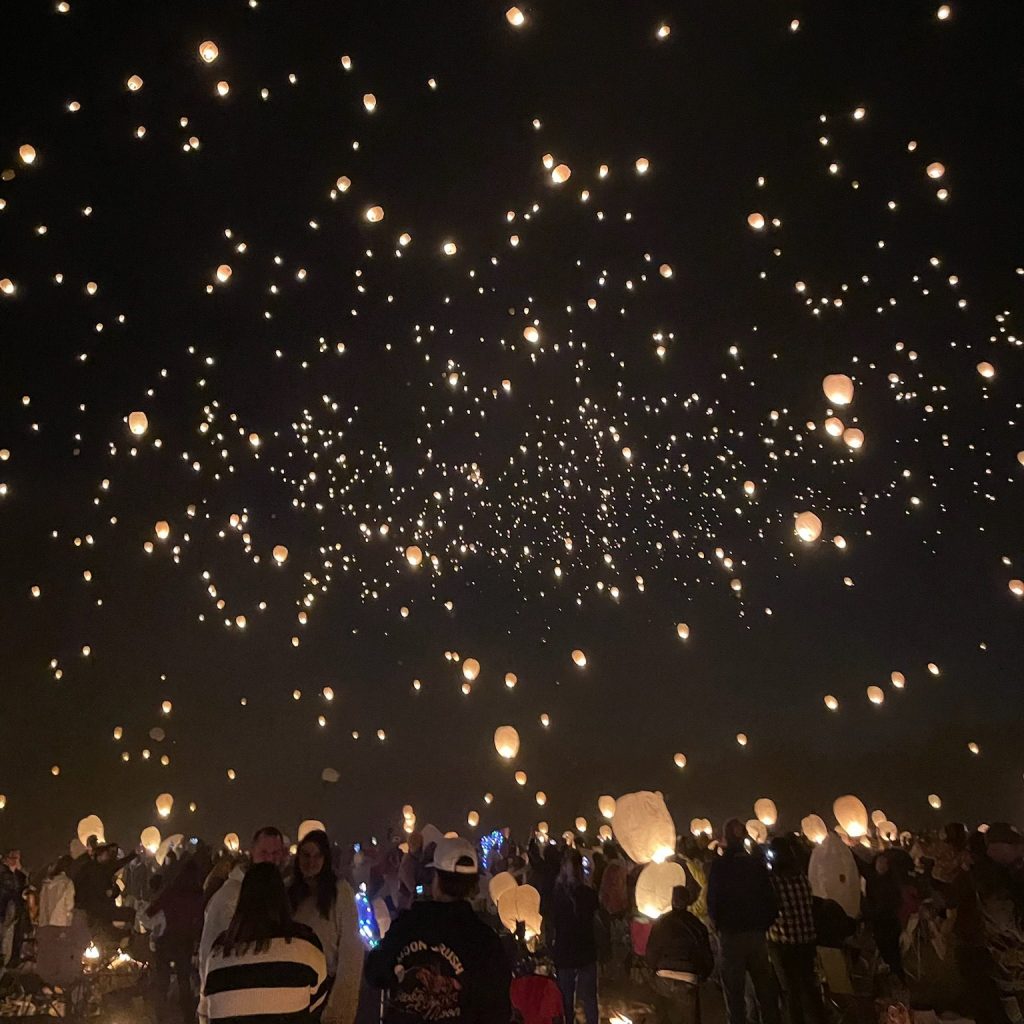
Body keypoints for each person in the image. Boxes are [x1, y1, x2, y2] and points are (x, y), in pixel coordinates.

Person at [365, 836, 511, 1024]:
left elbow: (375, 972)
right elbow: (497, 1009)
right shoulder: (485, 940)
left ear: (435, 877)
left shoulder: (407, 925)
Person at [199, 862, 328, 1022]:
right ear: (282, 897)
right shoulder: (307, 947)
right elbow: (317, 1002)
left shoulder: (218, 953)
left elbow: (208, 1010)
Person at [706, 819, 781, 1024]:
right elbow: (771, 898)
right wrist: (764, 923)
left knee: (734, 993)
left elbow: (713, 901)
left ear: (726, 839)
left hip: (731, 936)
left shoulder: (720, 867)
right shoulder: (755, 865)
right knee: (764, 990)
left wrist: (719, 924)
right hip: (756, 935)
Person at [288, 829, 363, 1024]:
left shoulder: (340, 893)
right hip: (292, 988)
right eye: (306, 855)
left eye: (317, 856)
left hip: (325, 988)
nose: (311, 862)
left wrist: (339, 1009)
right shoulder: (288, 891)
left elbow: (351, 952)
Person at [199, 825, 287, 977]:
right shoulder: (231, 896)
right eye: (264, 853)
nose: (270, 859)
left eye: (275, 853)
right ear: (252, 853)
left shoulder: (275, 891)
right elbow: (212, 948)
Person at [765, 838, 824, 1024]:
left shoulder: (775, 882)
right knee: (809, 987)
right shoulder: (802, 878)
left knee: (791, 992)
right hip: (806, 941)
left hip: (784, 944)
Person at [147, 858, 205, 1024]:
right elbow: (200, 920)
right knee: (183, 979)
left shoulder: (171, 890)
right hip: (185, 942)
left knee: (162, 980)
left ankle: (160, 1016)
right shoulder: (198, 894)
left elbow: (151, 911)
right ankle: (187, 1017)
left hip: (166, 940)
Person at [645, 885, 714, 1024]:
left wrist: (653, 970)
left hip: (663, 976)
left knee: (663, 1015)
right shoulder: (697, 924)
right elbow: (705, 955)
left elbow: (651, 951)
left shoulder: (661, 922)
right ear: (688, 901)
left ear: (672, 901)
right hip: (688, 978)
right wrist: (702, 975)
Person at [551, 849, 599, 1024]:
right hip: (586, 950)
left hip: (564, 951)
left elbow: (553, 922)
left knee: (565, 1000)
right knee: (589, 999)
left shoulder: (557, 895)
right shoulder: (588, 894)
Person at [73, 842, 137, 940]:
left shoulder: (97, 868)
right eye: (106, 855)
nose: (108, 857)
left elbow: (117, 865)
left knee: (109, 927)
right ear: (99, 856)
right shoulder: (95, 869)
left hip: (98, 906)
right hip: (98, 906)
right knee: (126, 916)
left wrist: (113, 891)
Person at [864, 851, 905, 983]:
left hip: (889, 922)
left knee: (892, 951)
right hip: (878, 922)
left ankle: (898, 977)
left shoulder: (892, 882)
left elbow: (895, 901)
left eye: (883, 863)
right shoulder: (872, 880)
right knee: (884, 949)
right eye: (878, 862)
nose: (880, 865)